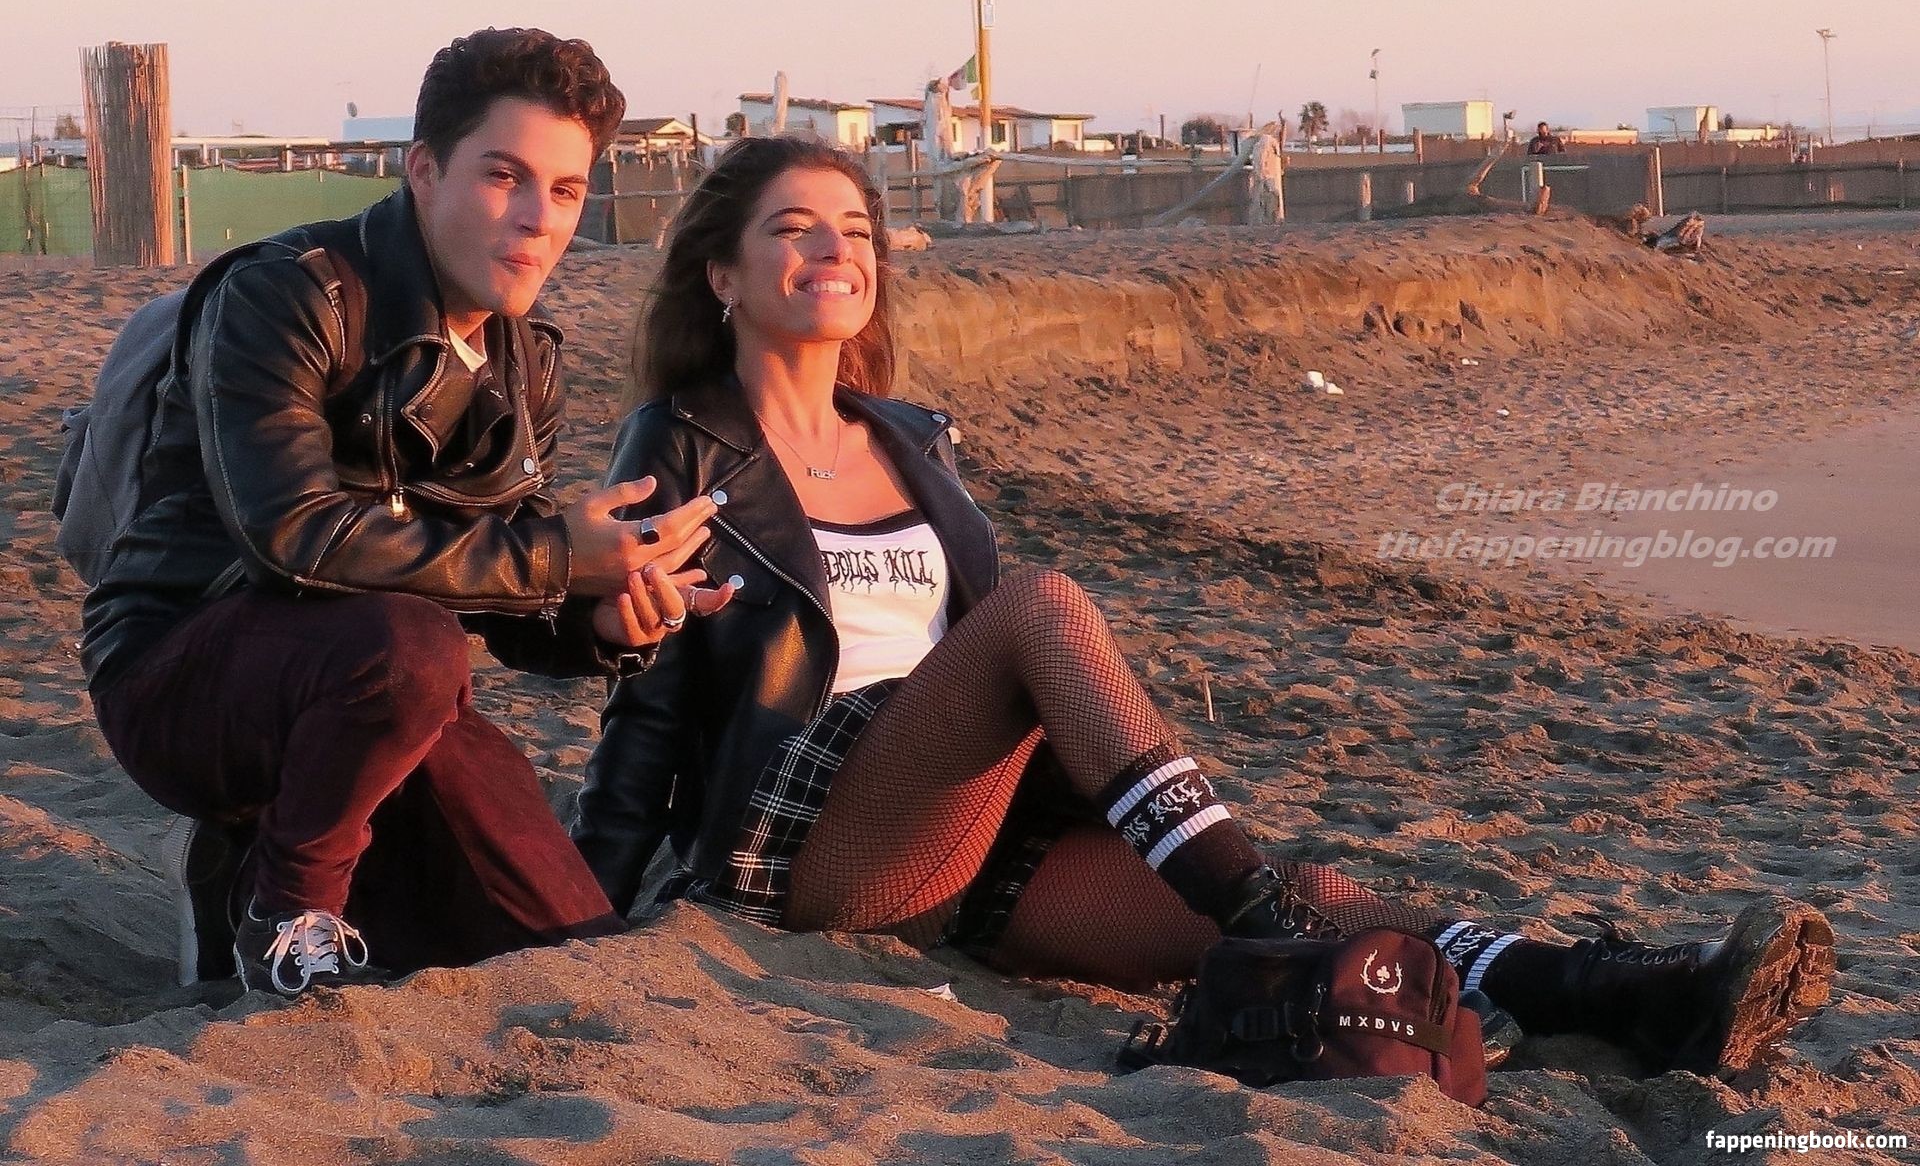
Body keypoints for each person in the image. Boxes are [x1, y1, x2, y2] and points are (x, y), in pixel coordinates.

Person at [571, 135, 1835, 1075]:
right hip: (813, 849)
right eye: (795, 228)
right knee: (1043, 608)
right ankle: (1262, 920)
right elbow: (648, 699)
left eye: (855, 229)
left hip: (969, 841)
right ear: (723, 272)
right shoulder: (679, 449)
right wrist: (578, 906)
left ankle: (1620, 995)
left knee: (1312, 883)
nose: (835, 250)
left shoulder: (912, 439)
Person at [80, 27, 726, 997]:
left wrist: (602, 613)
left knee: (567, 942)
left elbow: (500, 591)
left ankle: (236, 866)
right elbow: (295, 538)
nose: (537, 219)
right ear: (422, 169)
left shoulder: (525, 360)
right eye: (504, 176)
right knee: (413, 645)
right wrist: (557, 556)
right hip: (180, 673)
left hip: (382, 686)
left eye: (565, 190)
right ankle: (286, 913)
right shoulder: (285, 294)